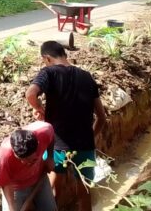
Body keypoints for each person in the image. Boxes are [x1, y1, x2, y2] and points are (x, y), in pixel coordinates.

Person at [26, 41, 107, 211]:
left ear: (46, 58)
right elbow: (101, 117)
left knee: (54, 191)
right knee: (85, 193)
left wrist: (38, 108)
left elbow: (31, 93)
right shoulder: (86, 76)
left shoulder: (48, 72)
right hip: (84, 146)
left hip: (57, 146)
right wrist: (90, 138)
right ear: (65, 54)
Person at [0, 121, 57, 211]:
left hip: (39, 178)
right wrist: (11, 207)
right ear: (14, 153)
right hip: (16, 188)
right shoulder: (6, 154)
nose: (26, 163)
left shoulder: (44, 130)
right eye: (22, 160)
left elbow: (51, 138)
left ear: (37, 145)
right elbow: (5, 182)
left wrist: (50, 157)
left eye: (32, 159)